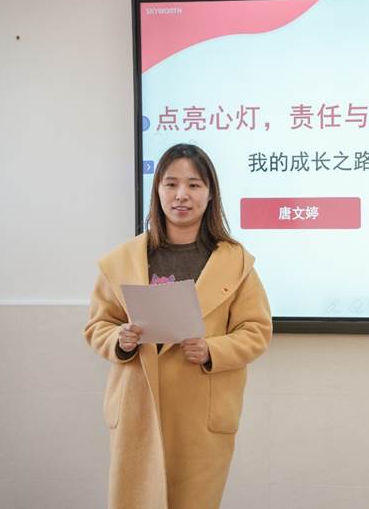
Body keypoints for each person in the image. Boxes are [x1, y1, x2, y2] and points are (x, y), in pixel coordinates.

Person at [84, 143, 272, 509]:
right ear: (157, 190)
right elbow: (98, 325)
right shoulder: (122, 260)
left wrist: (212, 349)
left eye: (194, 185)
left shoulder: (235, 262)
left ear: (210, 193)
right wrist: (120, 340)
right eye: (171, 184)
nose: (181, 194)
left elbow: (257, 330)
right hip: (139, 408)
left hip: (200, 413)